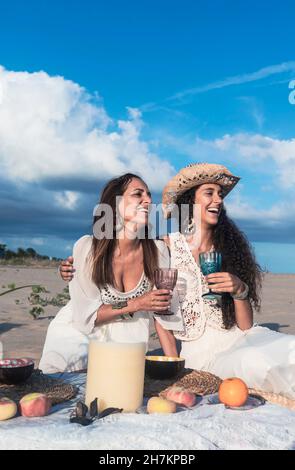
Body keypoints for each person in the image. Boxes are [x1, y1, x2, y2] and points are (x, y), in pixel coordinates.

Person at [154, 162, 295, 399]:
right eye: (209, 193)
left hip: (244, 338)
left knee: (290, 349)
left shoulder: (229, 250)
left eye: (220, 195)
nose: (218, 200)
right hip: (205, 358)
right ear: (190, 202)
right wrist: (175, 370)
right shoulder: (167, 247)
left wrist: (240, 290)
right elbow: (161, 319)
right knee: (255, 362)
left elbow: (245, 326)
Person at [39, 173, 182, 373]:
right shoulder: (88, 248)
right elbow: (87, 317)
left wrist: (174, 367)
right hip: (79, 331)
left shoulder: (158, 251)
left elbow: (163, 314)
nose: (148, 201)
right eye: (137, 194)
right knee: (69, 385)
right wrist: (137, 303)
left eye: (149, 195)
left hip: (128, 334)